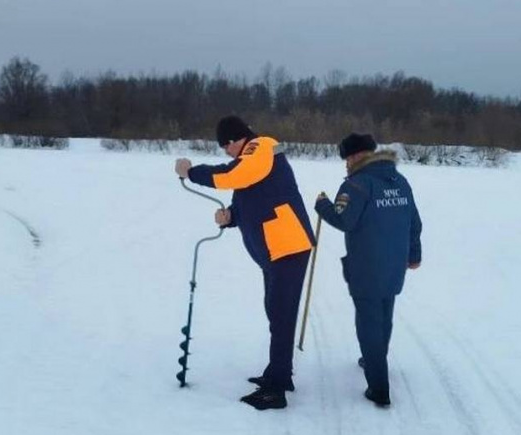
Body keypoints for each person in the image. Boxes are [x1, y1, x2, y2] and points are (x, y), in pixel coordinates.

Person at [174, 116, 315, 410]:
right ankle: (279, 374)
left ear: (238, 138)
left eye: (227, 144)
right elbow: (250, 199)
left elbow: (234, 177)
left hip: (288, 247)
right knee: (276, 312)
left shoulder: (261, 147)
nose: (226, 151)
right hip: (276, 251)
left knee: (280, 314)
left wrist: (191, 172)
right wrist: (231, 218)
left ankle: (276, 389)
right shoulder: (250, 163)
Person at [314, 133, 422, 407]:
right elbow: (414, 221)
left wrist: (322, 205)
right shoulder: (399, 180)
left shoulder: (357, 184)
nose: (346, 165)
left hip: (366, 266)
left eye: (346, 159)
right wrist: (414, 254)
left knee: (369, 323)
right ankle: (375, 359)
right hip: (394, 265)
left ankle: (379, 388)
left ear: (353, 156)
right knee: (385, 314)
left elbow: (343, 220)